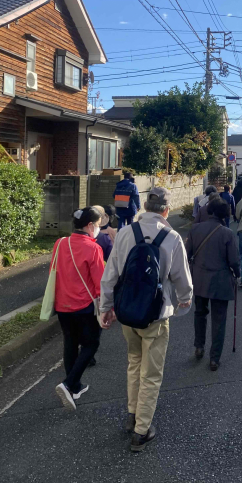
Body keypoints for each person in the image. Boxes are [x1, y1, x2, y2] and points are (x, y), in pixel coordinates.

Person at [100, 187, 193, 453]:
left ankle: (132, 415)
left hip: (128, 311)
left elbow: (111, 274)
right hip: (156, 314)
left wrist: (105, 307)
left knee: (134, 362)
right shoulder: (172, 237)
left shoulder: (125, 233)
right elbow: (182, 278)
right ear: (166, 210)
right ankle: (141, 431)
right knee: (151, 374)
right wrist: (185, 299)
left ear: (144, 207)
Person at [52, 206, 106, 411]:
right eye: (98, 225)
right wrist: (107, 306)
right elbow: (100, 282)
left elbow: (54, 272)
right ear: (90, 226)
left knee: (70, 343)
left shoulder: (60, 243)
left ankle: (74, 387)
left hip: (62, 304)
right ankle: (68, 384)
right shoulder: (93, 248)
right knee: (91, 344)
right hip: (84, 306)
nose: (98, 228)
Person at [186, 199, 240, 371]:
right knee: (219, 319)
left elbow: (187, 254)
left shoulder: (195, 229)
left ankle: (199, 346)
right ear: (224, 214)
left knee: (200, 313)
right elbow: (234, 261)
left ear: (209, 211)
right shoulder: (227, 233)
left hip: (199, 278)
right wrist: (237, 274)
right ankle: (214, 358)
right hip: (220, 280)